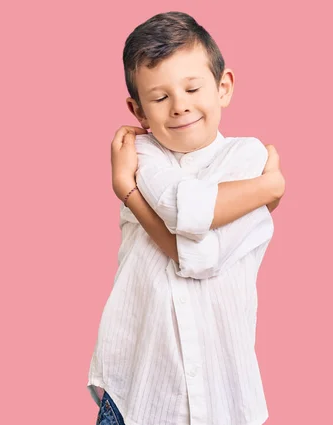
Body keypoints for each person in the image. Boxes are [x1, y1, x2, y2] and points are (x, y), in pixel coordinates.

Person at [88, 11, 285, 425]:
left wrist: (128, 191)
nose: (179, 107)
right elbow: (183, 210)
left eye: (192, 88)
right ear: (138, 110)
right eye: (159, 98)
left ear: (223, 87)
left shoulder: (248, 159)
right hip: (139, 393)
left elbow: (202, 257)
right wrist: (269, 190)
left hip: (225, 400)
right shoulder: (140, 153)